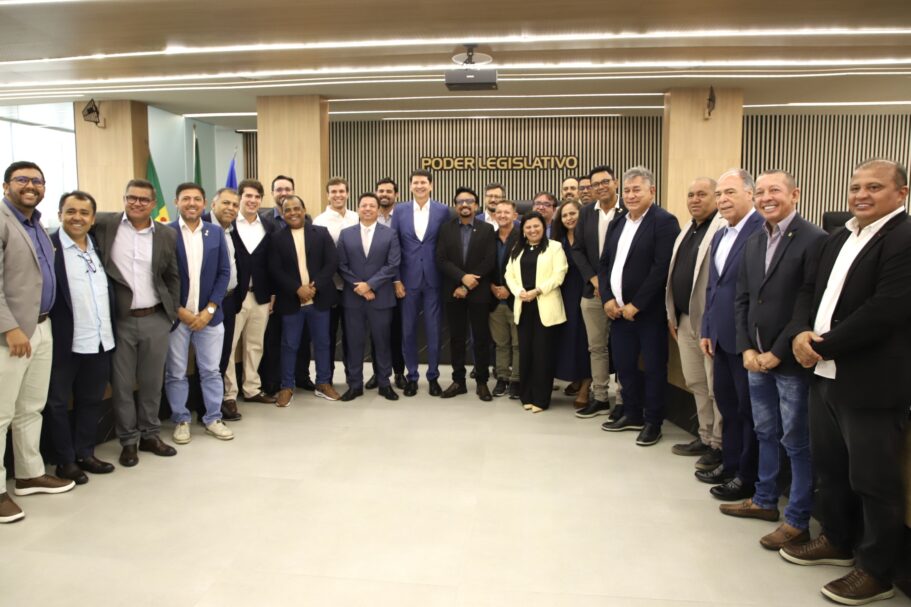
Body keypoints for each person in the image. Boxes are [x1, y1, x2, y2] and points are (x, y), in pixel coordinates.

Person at [783, 159, 911, 606]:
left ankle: (876, 571)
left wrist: (823, 345)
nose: (861, 194)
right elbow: (809, 291)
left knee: (873, 480)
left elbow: (887, 309)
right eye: (855, 186)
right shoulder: (840, 236)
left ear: (901, 193)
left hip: (871, 380)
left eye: (874, 187)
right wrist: (799, 332)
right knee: (832, 467)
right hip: (824, 374)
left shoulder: (904, 239)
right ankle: (836, 539)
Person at [721, 170, 826, 550]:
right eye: (761, 191)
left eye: (775, 190)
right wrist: (747, 348)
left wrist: (777, 352)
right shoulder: (754, 240)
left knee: (796, 441)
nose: (767, 197)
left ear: (795, 194)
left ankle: (797, 520)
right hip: (756, 359)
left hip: (790, 362)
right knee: (765, 432)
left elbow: (808, 303)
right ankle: (764, 500)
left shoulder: (814, 239)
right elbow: (743, 299)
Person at [0, 161, 74, 524]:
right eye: (22, 180)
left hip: (42, 327)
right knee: (1, 414)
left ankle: (29, 474)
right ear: (6, 186)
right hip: (12, 334)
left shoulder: (36, 224)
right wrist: (9, 328)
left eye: (37, 181)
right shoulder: (3, 221)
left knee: (31, 407)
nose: (31, 186)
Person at [93, 178, 180, 468]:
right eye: (132, 197)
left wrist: (170, 313)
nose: (137, 203)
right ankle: (128, 441)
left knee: (152, 383)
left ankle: (150, 435)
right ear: (124, 198)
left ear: (153, 204)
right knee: (121, 385)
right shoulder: (105, 225)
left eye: (143, 199)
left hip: (155, 317)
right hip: (120, 320)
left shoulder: (166, 234)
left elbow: (172, 275)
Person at [599, 166, 680, 445]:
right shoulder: (618, 222)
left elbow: (662, 268)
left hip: (648, 313)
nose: (631, 195)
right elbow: (604, 264)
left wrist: (637, 304)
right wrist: (607, 298)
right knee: (625, 367)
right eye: (627, 190)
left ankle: (653, 421)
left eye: (637, 190)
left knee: (654, 368)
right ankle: (631, 413)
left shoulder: (664, 221)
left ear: (652, 191)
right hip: (618, 312)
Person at [698, 169, 765, 499]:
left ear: (750, 194)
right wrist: (707, 328)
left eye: (730, 193)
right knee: (727, 404)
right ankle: (730, 462)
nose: (722, 200)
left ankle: (747, 476)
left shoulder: (761, 230)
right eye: (719, 194)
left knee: (748, 411)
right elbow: (714, 287)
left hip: (747, 341)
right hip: (720, 337)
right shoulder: (722, 233)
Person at [45, 191, 116, 486]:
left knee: (90, 400)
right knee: (57, 403)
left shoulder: (98, 245)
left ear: (93, 218)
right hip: (64, 340)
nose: (77, 217)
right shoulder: (48, 247)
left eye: (84, 213)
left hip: (100, 339)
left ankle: (86, 453)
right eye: (71, 211)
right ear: (60, 214)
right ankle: (65, 460)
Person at [165, 183, 234, 445]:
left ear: (204, 204)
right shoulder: (166, 233)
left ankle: (213, 418)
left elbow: (224, 273)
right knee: (176, 373)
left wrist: (210, 309)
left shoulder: (215, 232)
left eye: (196, 199)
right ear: (177, 202)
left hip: (210, 317)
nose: (191, 203)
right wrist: (179, 310)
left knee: (211, 371)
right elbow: (160, 276)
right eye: (186, 199)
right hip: (177, 318)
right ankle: (181, 420)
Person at [665, 178, 726, 470]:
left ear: (716, 197)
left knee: (715, 386)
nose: (695, 200)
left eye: (702, 194)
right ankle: (705, 436)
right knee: (696, 382)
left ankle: (720, 444)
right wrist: (672, 314)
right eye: (690, 195)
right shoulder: (688, 229)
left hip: (708, 321)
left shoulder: (722, 229)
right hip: (685, 319)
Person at [268, 195, 339, 407]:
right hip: (291, 301)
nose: (293, 213)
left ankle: (323, 383)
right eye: (287, 210)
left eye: (296, 208)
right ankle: (287, 386)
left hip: (319, 299)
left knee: (323, 343)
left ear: (304, 209)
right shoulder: (276, 238)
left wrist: (313, 287)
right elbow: (275, 269)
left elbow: (332, 262)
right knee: (289, 345)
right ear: (282, 214)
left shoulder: (321, 233)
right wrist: (297, 289)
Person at [571, 165, 625, 419]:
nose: (601, 187)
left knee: (623, 348)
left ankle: (623, 400)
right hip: (592, 291)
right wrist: (594, 281)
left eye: (605, 182)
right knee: (596, 347)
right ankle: (601, 397)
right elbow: (578, 250)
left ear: (616, 182)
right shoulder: (586, 213)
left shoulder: (628, 211)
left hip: (623, 293)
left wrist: (610, 287)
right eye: (595, 184)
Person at [336, 193, 401, 402]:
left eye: (372, 206)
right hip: (353, 298)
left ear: (378, 209)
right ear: (358, 208)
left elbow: (392, 264)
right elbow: (341, 265)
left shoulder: (390, 234)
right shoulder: (346, 234)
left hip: (381, 297)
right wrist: (361, 287)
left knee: (382, 342)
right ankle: (355, 385)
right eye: (363, 205)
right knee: (354, 343)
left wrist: (370, 285)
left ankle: (384, 383)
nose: (367, 209)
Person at [391, 169, 449, 397]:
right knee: (408, 331)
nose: (420, 186)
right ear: (410, 186)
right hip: (408, 280)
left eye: (424, 182)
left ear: (431, 185)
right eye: (415, 182)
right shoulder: (400, 210)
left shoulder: (443, 210)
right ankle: (412, 377)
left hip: (434, 279)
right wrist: (396, 279)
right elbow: (394, 246)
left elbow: (447, 244)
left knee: (434, 330)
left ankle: (433, 377)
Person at [435, 187, 496, 401]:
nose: (465, 205)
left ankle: (482, 382)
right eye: (460, 201)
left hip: (478, 292)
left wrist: (468, 285)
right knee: (456, 338)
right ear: (455, 206)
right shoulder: (446, 229)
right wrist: (462, 278)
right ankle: (458, 381)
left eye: (469, 201)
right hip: (453, 291)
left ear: (476, 206)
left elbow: (489, 260)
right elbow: (441, 259)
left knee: (481, 338)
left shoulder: (487, 229)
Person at [504, 211, 568, 412]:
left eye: (536, 226)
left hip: (545, 306)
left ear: (544, 227)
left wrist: (538, 290)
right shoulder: (517, 248)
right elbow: (509, 274)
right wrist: (519, 292)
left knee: (543, 354)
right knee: (526, 353)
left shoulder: (555, 247)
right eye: (528, 227)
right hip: (523, 306)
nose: (532, 230)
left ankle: (540, 399)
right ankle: (526, 396)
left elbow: (560, 274)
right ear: (523, 230)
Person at [226, 179, 276, 405]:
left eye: (257, 197)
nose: (253, 200)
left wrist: (273, 293)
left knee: (255, 344)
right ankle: (229, 394)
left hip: (261, 295)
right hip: (234, 296)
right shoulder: (227, 224)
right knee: (229, 346)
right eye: (248, 196)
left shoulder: (269, 226)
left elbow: (272, 262)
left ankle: (252, 389)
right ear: (239, 198)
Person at [313, 177, 358, 385]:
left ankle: (353, 377)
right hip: (328, 288)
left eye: (341, 191)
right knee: (327, 336)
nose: (338, 195)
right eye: (333, 192)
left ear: (347, 193)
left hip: (353, 288)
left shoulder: (357, 217)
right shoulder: (319, 221)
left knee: (352, 336)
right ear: (327, 195)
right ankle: (326, 379)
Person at [550, 200, 592, 408]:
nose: (569, 218)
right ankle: (576, 377)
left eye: (572, 213)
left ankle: (586, 385)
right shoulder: (557, 240)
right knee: (569, 339)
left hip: (587, 291)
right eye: (565, 215)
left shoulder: (590, 237)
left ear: (581, 214)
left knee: (586, 340)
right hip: (564, 294)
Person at [206, 187, 242, 421]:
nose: (230, 208)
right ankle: (208, 407)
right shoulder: (201, 227)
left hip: (229, 299)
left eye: (234, 205)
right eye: (226, 203)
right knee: (209, 358)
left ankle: (216, 403)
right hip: (208, 302)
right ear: (213, 204)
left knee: (223, 354)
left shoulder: (231, 230)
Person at [367, 178, 406, 389]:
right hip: (374, 284)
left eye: (389, 191)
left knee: (396, 331)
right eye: (381, 191)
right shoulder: (367, 217)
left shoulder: (402, 216)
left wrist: (397, 279)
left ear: (396, 195)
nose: (384, 194)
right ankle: (378, 373)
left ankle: (399, 372)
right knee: (376, 332)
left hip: (397, 283)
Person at [488, 200, 520, 399]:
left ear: (515, 216)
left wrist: (510, 289)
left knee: (518, 344)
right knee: (500, 344)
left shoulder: (523, 237)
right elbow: (483, 265)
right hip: (494, 299)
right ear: (494, 216)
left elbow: (528, 268)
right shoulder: (488, 238)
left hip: (516, 299)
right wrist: (492, 287)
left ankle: (516, 380)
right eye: (498, 212)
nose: (502, 215)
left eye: (506, 212)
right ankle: (502, 378)